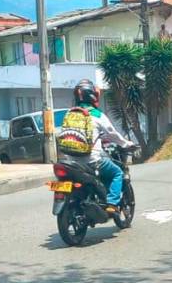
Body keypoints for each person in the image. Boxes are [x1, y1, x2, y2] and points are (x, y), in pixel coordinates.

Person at [57, 79, 136, 214]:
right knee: (117, 173)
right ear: (92, 95)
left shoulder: (70, 113)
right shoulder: (97, 114)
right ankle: (112, 203)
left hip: (69, 161)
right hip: (92, 161)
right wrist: (126, 144)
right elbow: (112, 134)